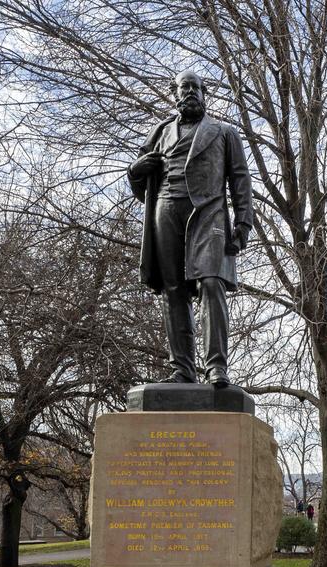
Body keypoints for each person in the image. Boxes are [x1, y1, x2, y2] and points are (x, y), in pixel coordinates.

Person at [128, 71, 254, 387]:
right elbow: (140, 182)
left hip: (208, 212)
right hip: (166, 210)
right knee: (174, 290)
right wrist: (134, 171)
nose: (191, 93)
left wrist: (243, 222)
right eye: (185, 88)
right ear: (175, 93)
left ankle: (216, 369)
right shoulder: (159, 133)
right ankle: (182, 369)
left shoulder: (224, 132)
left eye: (196, 87)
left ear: (204, 92)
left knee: (212, 283)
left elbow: (240, 178)